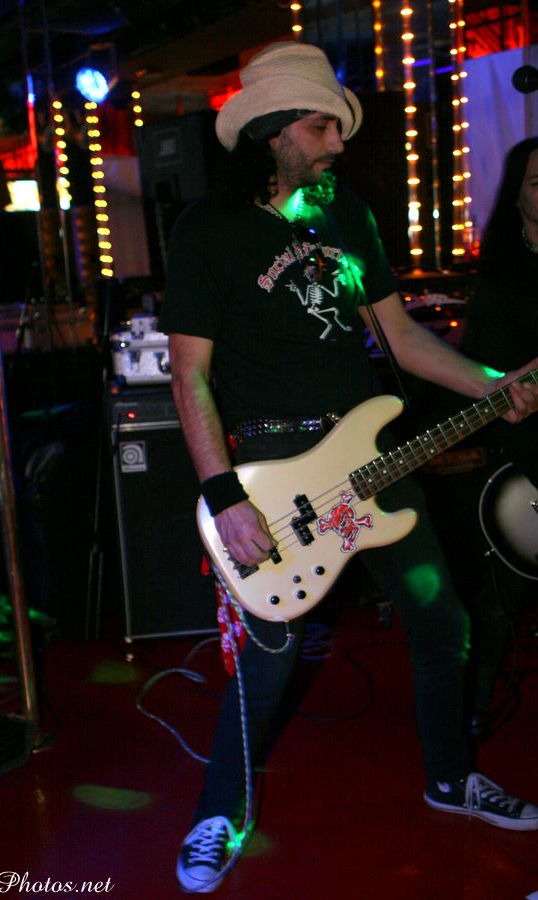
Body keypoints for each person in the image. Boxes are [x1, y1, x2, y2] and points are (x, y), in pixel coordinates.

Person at [158, 42, 538, 894]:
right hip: (269, 467)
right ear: (272, 132)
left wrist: (492, 384)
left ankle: (450, 779)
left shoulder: (348, 215)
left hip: (372, 460)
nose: (337, 141)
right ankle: (218, 812)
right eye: (320, 125)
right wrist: (224, 493)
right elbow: (189, 375)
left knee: (442, 621)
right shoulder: (209, 229)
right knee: (270, 655)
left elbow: (400, 338)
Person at [457, 137, 538, 735]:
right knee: (499, 593)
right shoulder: (502, 281)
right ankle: (473, 704)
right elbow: (480, 379)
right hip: (522, 452)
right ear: (516, 197)